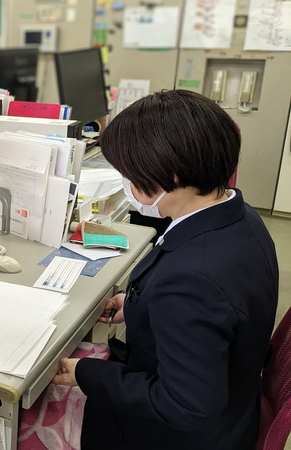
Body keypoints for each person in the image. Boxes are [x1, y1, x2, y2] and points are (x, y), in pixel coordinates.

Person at [52, 90, 278, 450]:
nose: (125, 181)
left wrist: (86, 373)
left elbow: (186, 406)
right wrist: (141, 306)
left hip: (178, 435)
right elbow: (212, 315)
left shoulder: (192, 279)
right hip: (231, 402)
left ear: (170, 175)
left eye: (128, 173)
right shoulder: (239, 214)